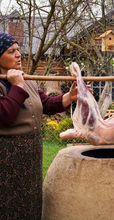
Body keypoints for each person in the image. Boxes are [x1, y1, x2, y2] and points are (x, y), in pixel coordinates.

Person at [0, 33, 78, 219]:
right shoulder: (14, 83)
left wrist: (70, 97)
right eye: (11, 51)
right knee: (8, 203)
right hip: (6, 157)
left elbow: (46, 104)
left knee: (30, 201)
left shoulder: (28, 81)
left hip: (30, 154)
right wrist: (17, 85)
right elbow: (5, 115)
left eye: (18, 50)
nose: (18, 55)